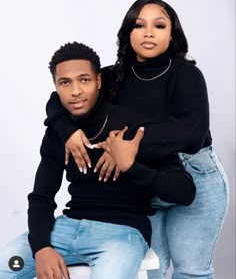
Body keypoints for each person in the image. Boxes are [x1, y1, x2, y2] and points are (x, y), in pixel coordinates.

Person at [44, 0, 229, 279]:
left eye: (159, 25)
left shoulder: (188, 76)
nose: (149, 32)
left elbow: (193, 132)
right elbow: (63, 97)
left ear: (172, 33)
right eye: (139, 25)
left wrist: (124, 145)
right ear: (127, 32)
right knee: (148, 270)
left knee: (191, 270)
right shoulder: (113, 77)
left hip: (195, 177)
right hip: (140, 179)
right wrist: (66, 129)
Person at [0, 42, 196, 279]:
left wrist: (130, 166)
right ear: (56, 87)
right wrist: (41, 248)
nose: (75, 91)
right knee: (6, 267)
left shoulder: (133, 126)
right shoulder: (58, 131)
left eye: (84, 80)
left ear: (99, 81)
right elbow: (42, 196)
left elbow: (185, 191)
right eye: (65, 82)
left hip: (121, 236)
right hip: (64, 229)